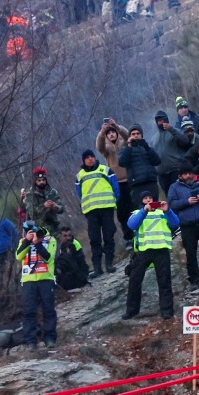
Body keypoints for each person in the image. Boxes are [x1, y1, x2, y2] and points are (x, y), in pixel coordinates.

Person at [123, 193, 178, 321]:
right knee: (134, 281)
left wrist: (168, 211)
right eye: (145, 198)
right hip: (144, 251)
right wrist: (144, 211)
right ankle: (131, 311)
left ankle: (167, 311)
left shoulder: (162, 212)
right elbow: (132, 225)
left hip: (161, 250)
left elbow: (175, 223)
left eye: (150, 198)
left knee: (164, 281)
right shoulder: (137, 213)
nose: (148, 200)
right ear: (141, 200)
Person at [75, 149, 119, 278]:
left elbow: (115, 187)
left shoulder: (105, 170)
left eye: (92, 156)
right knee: (94, 239)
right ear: (83, 160)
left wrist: (115, 200)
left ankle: (109, 264)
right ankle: (97, 268)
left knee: (109, 236)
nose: (90, 159)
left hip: (107, 208)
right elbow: (80, 193)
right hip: (91, 211)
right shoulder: (79, 176)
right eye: (87, 157)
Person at [16, 220, 58, 349]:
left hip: (46, 279)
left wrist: (38, 243)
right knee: (29, 311)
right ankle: (31, 341)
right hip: (28, 280)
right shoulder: (23, 241)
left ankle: (50, 338)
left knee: (48, 309)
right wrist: (27, 241)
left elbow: (48, 257)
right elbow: (19, 256)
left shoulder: (50, 240)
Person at [96, 119, 135, 241]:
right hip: (116, 184)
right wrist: (102, 133)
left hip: (129, 180)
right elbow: (99, 146)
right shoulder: (106, 149)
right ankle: (128, 237)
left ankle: (138, 232)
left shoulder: (123, 143)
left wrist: (117, 127)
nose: (111, 134)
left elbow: (128, 135)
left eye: (113, 132)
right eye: (109, 133)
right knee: (122, 212)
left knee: (134, 207)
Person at [119, 124, 162, 202]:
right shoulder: (125, 149)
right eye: (133, 134)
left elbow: (157, 161)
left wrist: (146, 147)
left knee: (154, 206)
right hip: (136, 185)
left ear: (142, 135)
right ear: (129, 136)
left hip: (151, 182)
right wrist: (129, 146)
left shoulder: (147, 147)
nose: (136, 136)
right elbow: (122, 162)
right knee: (140, 207)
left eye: (138, 133)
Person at [54, 226, 90, 290]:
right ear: (60, 237)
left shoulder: (75, 244)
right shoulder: (56, 246)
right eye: (65, 236)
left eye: (69, 235)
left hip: (76, 273)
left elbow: (81, 263)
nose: (68, 238)